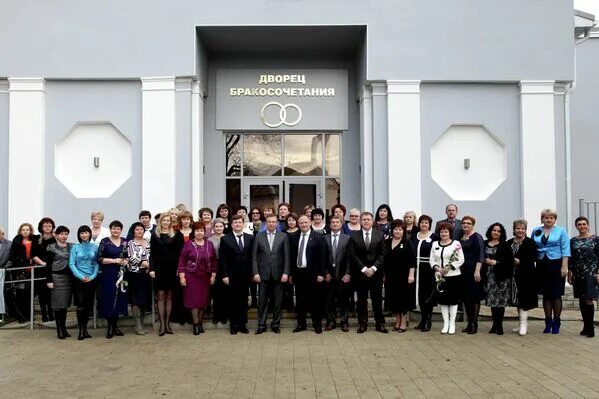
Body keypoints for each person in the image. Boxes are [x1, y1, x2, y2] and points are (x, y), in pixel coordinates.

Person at [531, 209, 570, 334]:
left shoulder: (561, 231)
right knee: (546, 294)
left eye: (551, 218)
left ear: (555, 219)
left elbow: (565, 248)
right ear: (542, 219)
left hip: (556, 263)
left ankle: (557, 321)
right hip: (542, 264)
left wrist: (564, 266)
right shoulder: (536, 231)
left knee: (556, 294)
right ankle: (548, 321)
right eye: (546, 218)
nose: (549, 220)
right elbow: (532, 247)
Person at [349, 211, 388, 333]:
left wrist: (373, 268)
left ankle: (380, 324)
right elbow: (353, 254)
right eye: (364, 219)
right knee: (361, 300)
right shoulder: (354, 235)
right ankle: (362, 324)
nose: (366, 221)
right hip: (360, 274)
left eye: (368, 219)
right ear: (360, 221)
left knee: (377, 300)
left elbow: (383, 254)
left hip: (376, 273)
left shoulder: (380, 235)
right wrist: (364, 269)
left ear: (372, 222)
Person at [252, 214, 290, 334]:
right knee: (262, 302)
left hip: (278, 274)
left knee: (277, 301)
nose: (271, 224)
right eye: (269, 222)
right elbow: (253, 257)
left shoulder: (283, 236)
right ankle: (261, 325)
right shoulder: (258, 236)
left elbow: (287, 257)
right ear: (265, 223)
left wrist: (286, 273)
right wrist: (255, 273)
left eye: (274, 222)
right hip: (263, 275)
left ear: (277, 223)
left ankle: (275, 324)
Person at [178, 222, 218, 335]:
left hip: (205, 276)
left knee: (203, 302)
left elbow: (214, 261)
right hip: (191, 276)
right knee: (194, 302)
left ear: (204, 232)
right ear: (193, 232)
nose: (199, 233)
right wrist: (182, 277)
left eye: (201, 230)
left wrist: (213, 275)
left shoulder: (209, 244)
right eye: (197, 231)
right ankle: (195, 325)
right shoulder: (188, 244)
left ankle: (200, 324)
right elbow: (182, 261)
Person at [149, 213, 184, 336]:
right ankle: (162, 324)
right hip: (159, 269)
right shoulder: (155, 235)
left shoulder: (177, 234)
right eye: (164, 220)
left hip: (172, 268)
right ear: (160, 221)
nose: (166, 222)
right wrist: (151, 269)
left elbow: (181, 254)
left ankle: (168, 323)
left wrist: (180, 269)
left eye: (168, 220)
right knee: (160, 295)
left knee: (169, 296)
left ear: (171, 222)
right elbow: (152, 253)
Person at [291, 215, 327, 334]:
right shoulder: (294, 237)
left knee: (314, 301)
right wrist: (291, 274)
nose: (304, 225)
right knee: (300, 301)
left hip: (313, 274)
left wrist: (321, 273)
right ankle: (301, 324)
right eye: (301, 223)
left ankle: (317, 324)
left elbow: (323, 257)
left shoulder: (318, 237)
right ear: (298, 224)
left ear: (310, 222)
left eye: (306, 222)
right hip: (299, 274)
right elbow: (292, 258)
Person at [219, 215, 254, 335]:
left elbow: (253, 257)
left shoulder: (250, 238)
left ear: (243, 224)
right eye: (235, 222)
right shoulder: (225, 239)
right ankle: (233, 325)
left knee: (243, 301)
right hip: (231, 275)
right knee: (232, 301)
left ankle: (243, 324)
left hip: (246, 275)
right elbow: (222, 259)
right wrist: (225, 275)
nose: (238, 224)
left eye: (240, 222)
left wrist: (254, 273)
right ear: (231, 225)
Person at [429, 222, 465, 335]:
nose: (443, 233)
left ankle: (452, 324)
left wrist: (449, 268)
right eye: (441, 231)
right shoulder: (435, 244)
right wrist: (436, 268)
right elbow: (432, 259)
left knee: (453, 301)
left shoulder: (456, 244)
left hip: (453, 276)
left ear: (450, 233)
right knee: (443, 301)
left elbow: (461, 259)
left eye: (446, 231)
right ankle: (445, 324)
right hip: (440, 277)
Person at [97, 220, 128, 338]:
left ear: (121, 230)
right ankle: (109, 327)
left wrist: (126, 261)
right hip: (108, 274)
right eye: (114, 228)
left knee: (119, 299)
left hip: (121, 274)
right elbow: (99, 258)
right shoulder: (105, 242)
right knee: (109, 299)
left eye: (118, 228)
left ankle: (116, 326)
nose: (116, 230)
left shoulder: (125, 241)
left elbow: (129, 256)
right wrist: (113, 261)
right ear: (110, 229)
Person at [569, 216, 599, 338]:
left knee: (588, 298)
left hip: (591, 272)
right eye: (579, 224)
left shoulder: (595, 239)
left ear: (588, 225)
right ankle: (585, 327)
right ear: (576, 226)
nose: (582, 226)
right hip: (578, 272)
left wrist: (598, 272)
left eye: (584, 224)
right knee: (581, 299)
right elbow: (571, 257)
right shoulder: (573, 241)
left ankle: (591, 328)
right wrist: (570, 271)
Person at [384, 220, 416, 332]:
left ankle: (403, 323)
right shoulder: (387, 242)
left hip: (404, 276)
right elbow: (384, 260)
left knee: (403, 300)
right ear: (392, 230)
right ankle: (397, 321)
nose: (398, 231)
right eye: (396, 229)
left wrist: (411, 275)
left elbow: (413, 261)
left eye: (400, 229)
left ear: (403, 231)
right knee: (394, 299)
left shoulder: (408, 243)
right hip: (390, 276)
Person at [8, 223, 43, 323]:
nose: (25, 231)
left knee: (30, 294)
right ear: (20, 231)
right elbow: (12, 256)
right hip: (21, 270)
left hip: (33, 269)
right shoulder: (16, 241)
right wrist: (23, 261)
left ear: (31, 230)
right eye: (23, 230)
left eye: (27, 229)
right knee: (20, 294)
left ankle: (29, 315)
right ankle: (21, 317)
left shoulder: (35, 240)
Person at [508, 219, 538, 336]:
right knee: (516, 299)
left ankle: (524, 324)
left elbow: (534, 258)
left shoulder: (530, 242)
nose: (520, 230)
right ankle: (520, 322)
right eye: (518, 228)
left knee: (524, 300)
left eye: (522, 229)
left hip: (526, 275)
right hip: (512, 275)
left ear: (525, 230)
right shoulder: (509, 242)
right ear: (514, 230)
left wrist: (519, 261)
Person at [484, 223, 514, 335]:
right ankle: (494, 325)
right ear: (490, 231)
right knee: (492, 302)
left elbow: (510, 261)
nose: (496, 232)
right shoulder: (484, 243)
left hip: (501, 277)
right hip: (488, 276)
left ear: (501, 233)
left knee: (500, 303)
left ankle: (499, 326)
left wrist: (496, 262)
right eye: (494, 230)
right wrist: (485, 260)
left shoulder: (505, 245)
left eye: (498, 231)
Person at [69, 225, 99, 340]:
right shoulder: (75, 247)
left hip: (91, 279)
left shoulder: (95, 247)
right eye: (82, 233)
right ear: (79, 235)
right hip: (79, 280)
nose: (84, 235)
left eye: (86, 233)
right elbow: (71, 264)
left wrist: (92, 276)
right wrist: (81, 276)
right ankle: (81, 330)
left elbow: (97, 263)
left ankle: (86, 330)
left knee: (88, 305)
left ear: (89, 234)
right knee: (80, 305)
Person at [323, 216, 351, 331]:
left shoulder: (348, 238)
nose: (335, 224)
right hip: (329, 273)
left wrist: (348, 273)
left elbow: (350, 258)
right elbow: (322, 258)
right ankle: (331, 321)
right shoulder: (324, 238)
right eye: (332, 222)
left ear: (341, 224)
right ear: (329, 225)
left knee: (343, 299)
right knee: (329, 300)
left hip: (343, 273)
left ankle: (344, 322)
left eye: (337, 222)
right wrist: (325, 273)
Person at [411, 215, 438, 332]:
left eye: (426, 223)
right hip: (416, 269)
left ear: (429, 224)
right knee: (420, 295)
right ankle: (422, 320)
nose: (424, 225)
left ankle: (428, 320)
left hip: (428, 269)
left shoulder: (434, 237)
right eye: (422, 222)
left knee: (427, 295)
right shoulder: (414, 236)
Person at [45, 225, 73, 339]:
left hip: (69, 278)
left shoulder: (72, 246)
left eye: (66, 234)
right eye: (61, 234)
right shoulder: (51, 247)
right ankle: (59, 330)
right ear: (56, 235)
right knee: (58, 305)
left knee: (65, 305)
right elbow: (48, 265)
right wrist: (49, 280)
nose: (64, 236)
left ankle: (64, 328)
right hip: (56, 277)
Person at [459, 216, 485, 334]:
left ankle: (474, 324)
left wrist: (477, 271)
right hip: (463, 272)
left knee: (474, 298)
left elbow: (481, 255)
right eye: (464, 223)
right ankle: (469, 323)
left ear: (473, 225)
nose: (465, 225)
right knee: (466, 298)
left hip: (474, 271)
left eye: (468, 223)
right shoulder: (461, 237)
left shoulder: (477, 237)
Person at [126, 222, 151, 335]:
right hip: (135, 274)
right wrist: (144, 264)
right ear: (133, 231)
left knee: (144, 299)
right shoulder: (131, 242)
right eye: (137, 229)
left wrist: (150, 266)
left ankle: (142, 322)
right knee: (136, 299)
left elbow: (152, 256)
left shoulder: (148, 242)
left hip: (147, 274)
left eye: (141, 229)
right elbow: (131, 258)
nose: (140, 231)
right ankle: (137, 324)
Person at [36, 217, 56, 322]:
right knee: (42, 293)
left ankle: (51, 314)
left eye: (49, 226)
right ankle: (44, 315)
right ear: (41, 227)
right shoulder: (37, 239)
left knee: (51, 293)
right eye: (45, 226)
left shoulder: (55, 238)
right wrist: (42, 263)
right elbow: (33, 255)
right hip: (41, 268)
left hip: (53, 268)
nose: (48, 228)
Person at [208, 218, 227, 325]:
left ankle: (224, 316)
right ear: (213, 228)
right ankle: (216, 316)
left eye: (220, 226)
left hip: (225, 267)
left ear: (224, 227)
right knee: (215, 292)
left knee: (225, 292)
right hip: (214, 267)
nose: (218, 228)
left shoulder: (228, 238)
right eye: (216, 226)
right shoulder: (209, 240)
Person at [283, 213, 300, 311]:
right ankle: (288, 305)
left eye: (293, 220)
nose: (291, 222)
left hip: (297, 260)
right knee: (286, 286)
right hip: (286, 260)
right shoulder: (283, 232)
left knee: (298, 285)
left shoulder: (300, 231)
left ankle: (298, 306)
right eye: (289, 220)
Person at [0, 228, 11, 318]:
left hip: (4, 272)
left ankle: (4, 314)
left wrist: (4, 268)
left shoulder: (9, 244)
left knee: (3, 293)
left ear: (3, 234)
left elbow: (11, 259)